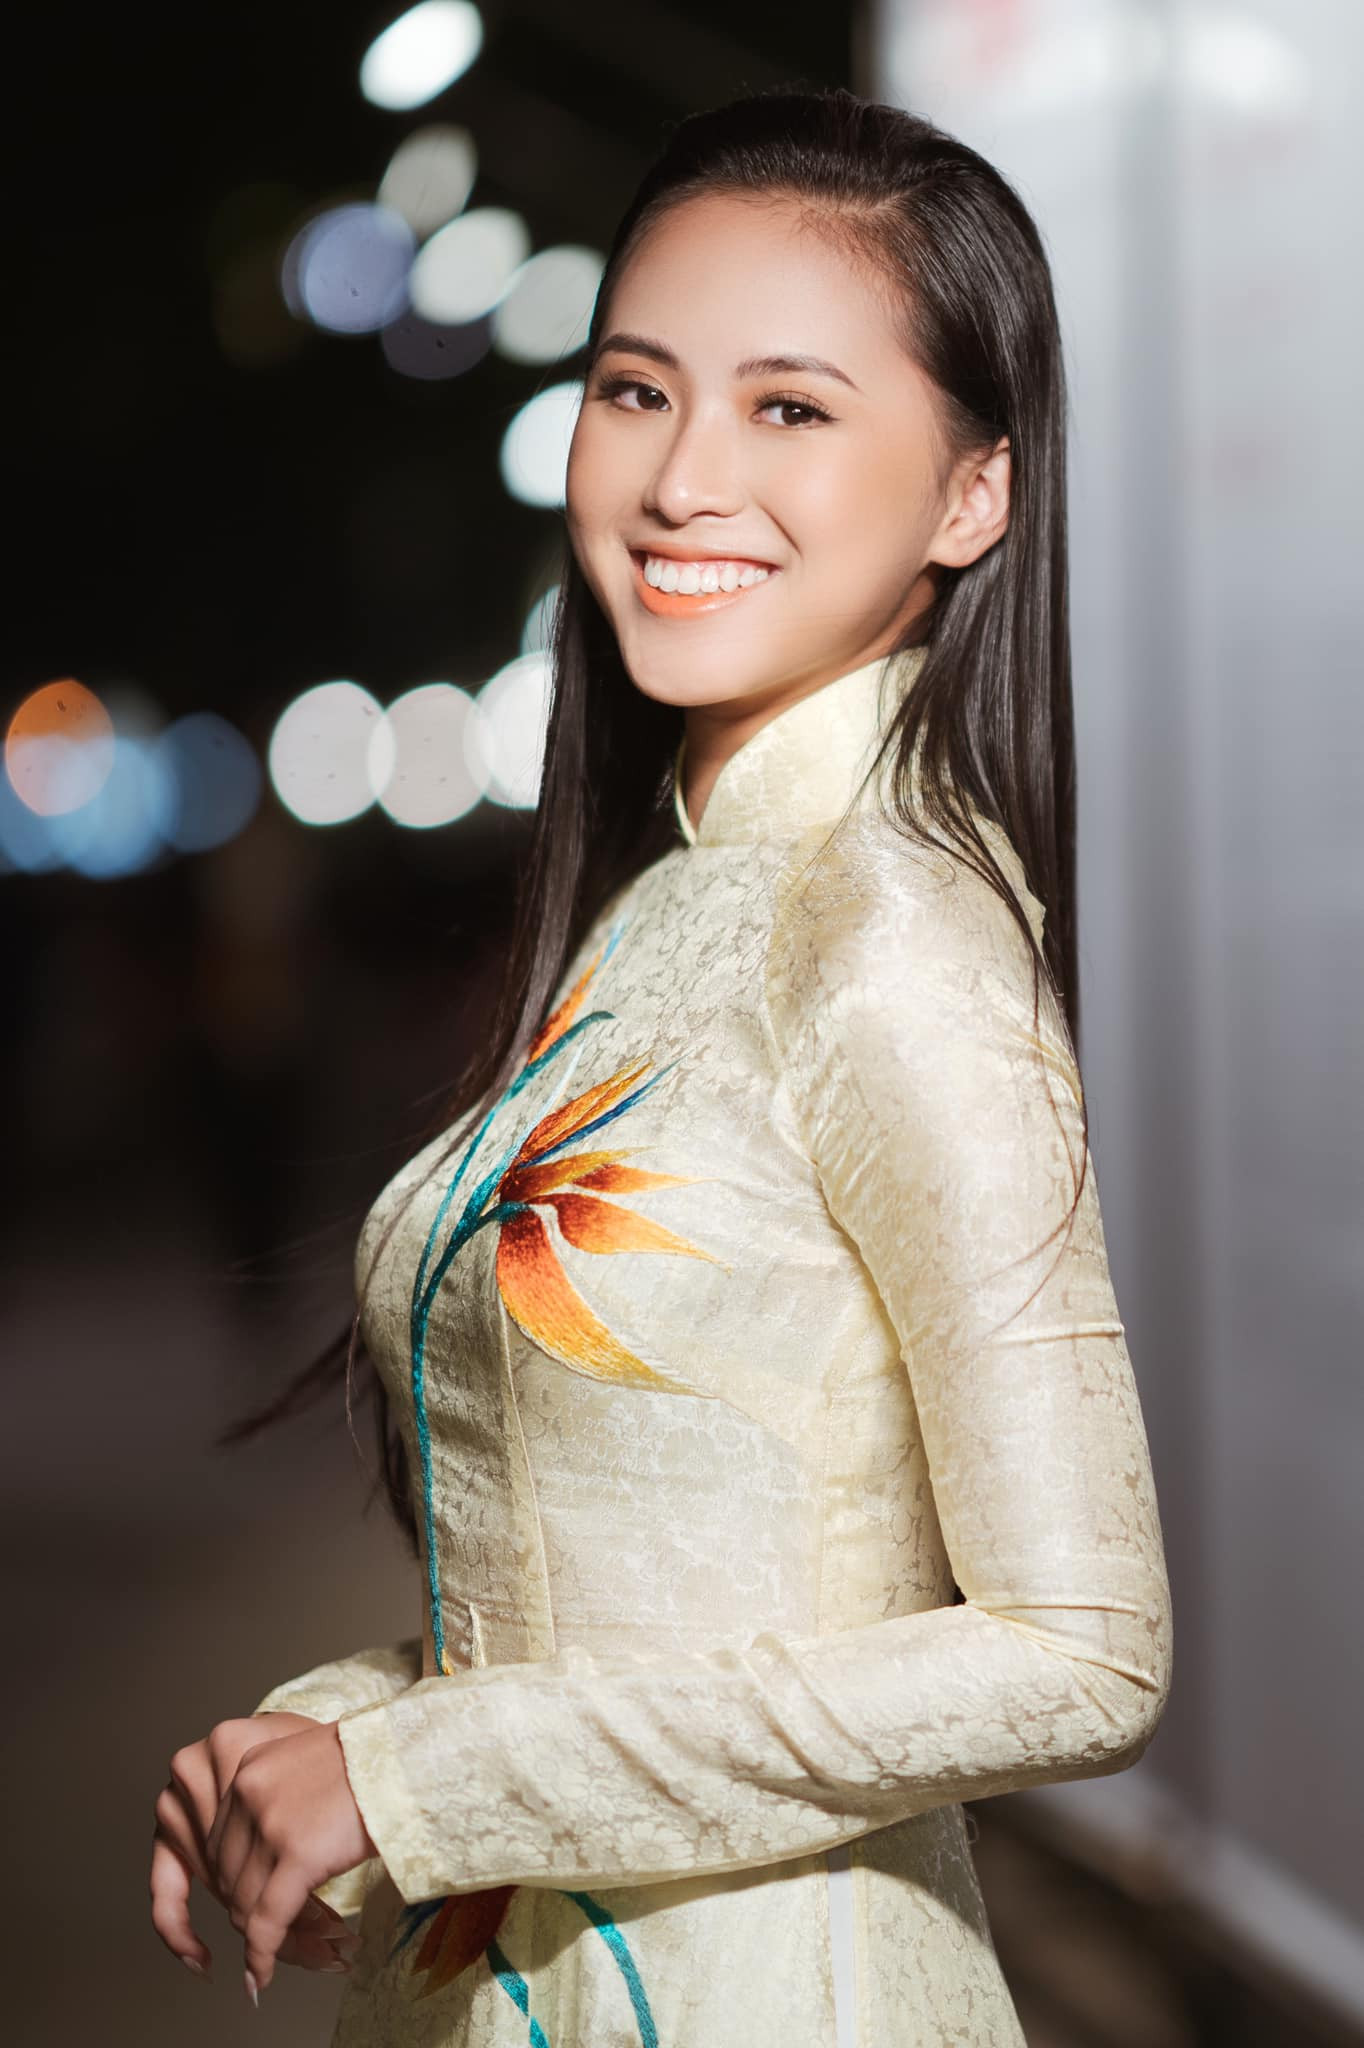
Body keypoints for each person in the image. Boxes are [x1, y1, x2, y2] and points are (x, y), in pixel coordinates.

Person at [150, 84, 1174, 2045]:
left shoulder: (892, 933)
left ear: (972, 495)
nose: (683, 476)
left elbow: (1084, 1646)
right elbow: (636, 1579)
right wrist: (345, 1733)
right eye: (635, 390)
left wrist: (423, 1774)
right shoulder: (667, 903)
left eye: (790, 407)